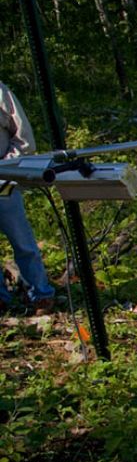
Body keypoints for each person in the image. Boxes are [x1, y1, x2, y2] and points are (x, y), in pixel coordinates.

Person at [0, 82, 56, 314]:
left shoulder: (0, 92)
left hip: (3, 180)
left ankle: (41, 294)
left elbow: (24, 140)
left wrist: (5, 166)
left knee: (21, 240)